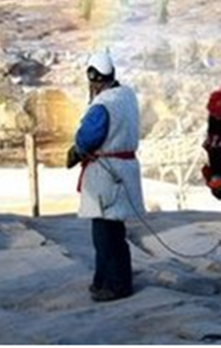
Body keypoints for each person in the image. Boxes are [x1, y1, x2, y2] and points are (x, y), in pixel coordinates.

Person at [66, 50, 144, 302]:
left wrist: (77, 150)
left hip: (106, 173)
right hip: (124, 169)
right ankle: (102, 280)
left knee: (105, 235)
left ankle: (116, 285)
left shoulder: (102, 104)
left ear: (93, 77)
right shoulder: (127, 95)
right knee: (113, 231)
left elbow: (88, 137)